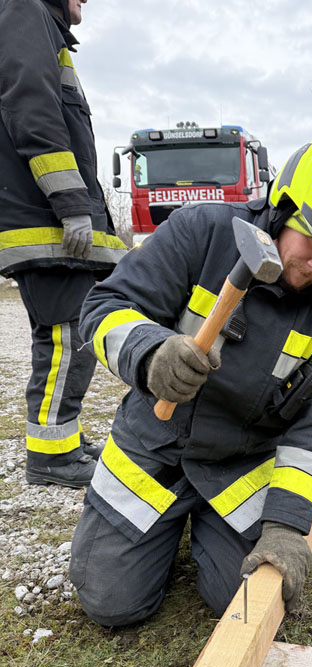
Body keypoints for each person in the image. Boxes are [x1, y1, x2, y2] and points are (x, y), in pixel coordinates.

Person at [68, 125, 312, 625]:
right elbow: (104, 307)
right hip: (153, 450)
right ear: (285, 205)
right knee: (110, 604)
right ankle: (156, 530)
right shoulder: (201, 232)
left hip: (238, 464)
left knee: (244, 600)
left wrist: (287, 524)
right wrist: (151, 354)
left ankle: (206, 523)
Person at [0, 0, 127, 488]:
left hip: (47, 215)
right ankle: (51, 455)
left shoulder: (40, 22)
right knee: (66, 337)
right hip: (44, 218)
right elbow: (31, 106)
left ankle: (61, 440)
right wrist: (70, 201)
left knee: (69, 335)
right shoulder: (24, 8)